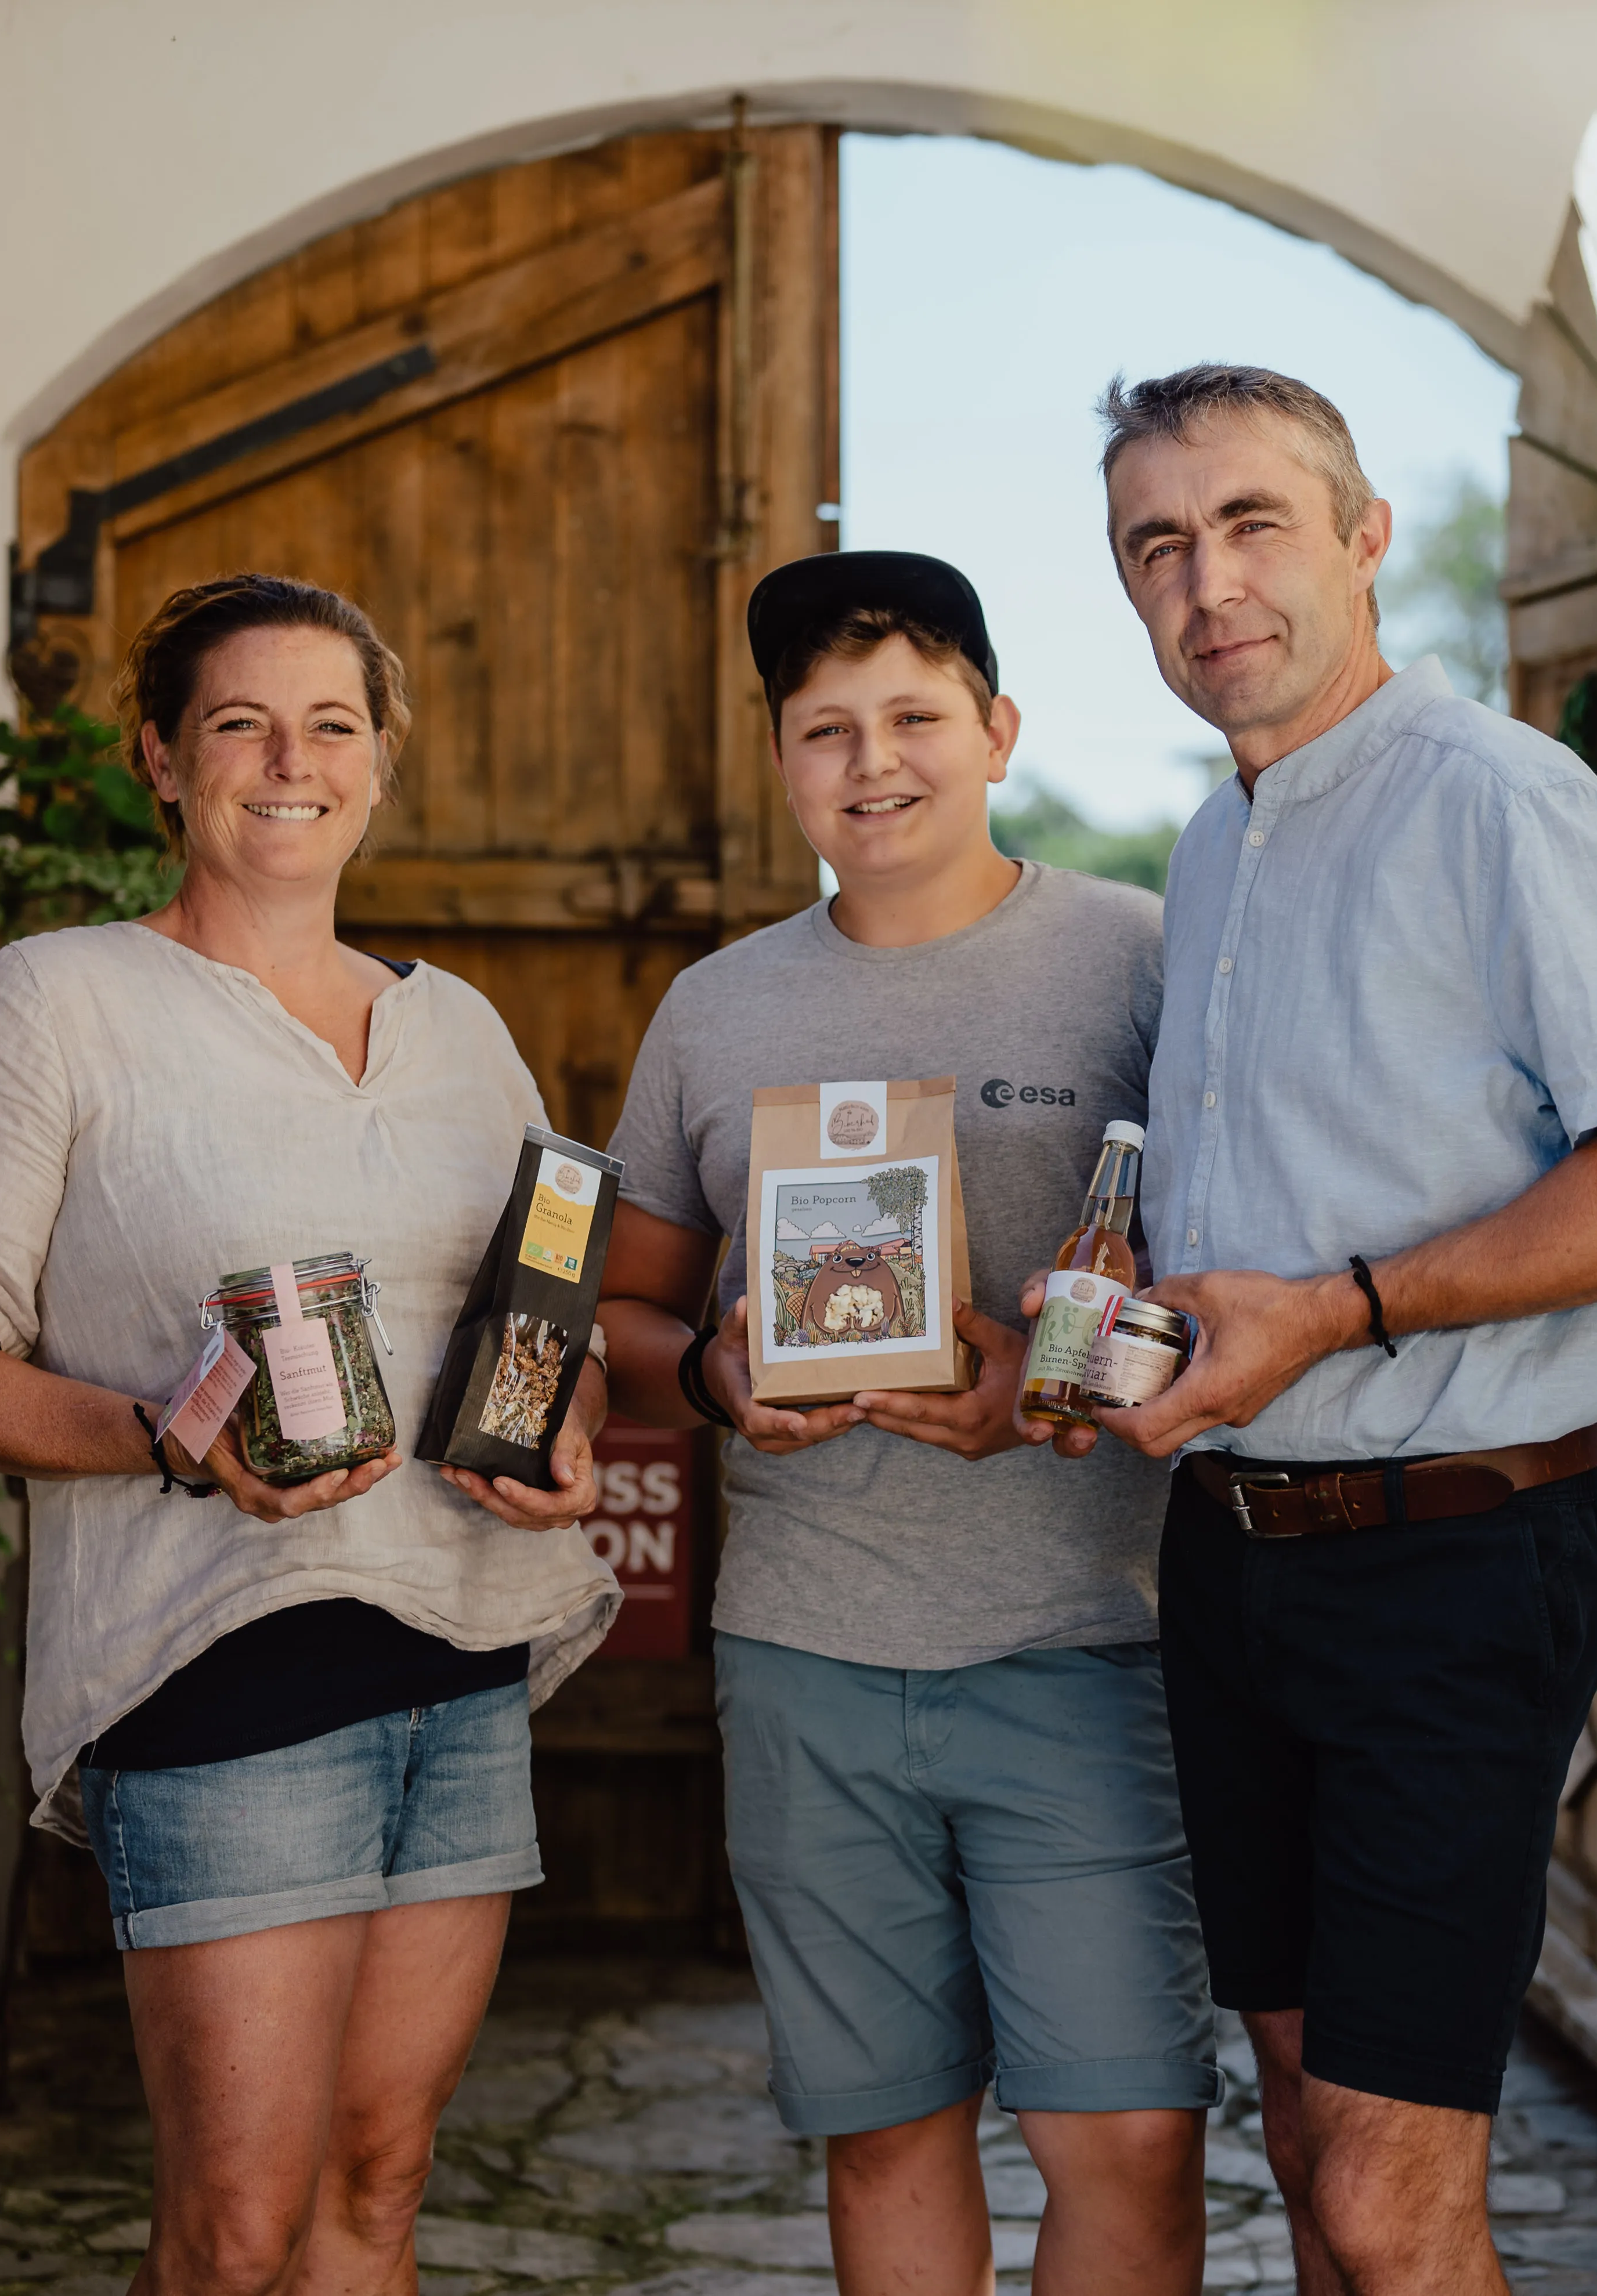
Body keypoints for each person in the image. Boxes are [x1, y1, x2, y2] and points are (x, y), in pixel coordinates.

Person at [1078, 367, 1597, 2295]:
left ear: (1367, 537)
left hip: (1452, 1562)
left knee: (1392, 2198)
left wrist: (1335, 1309)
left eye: (1251, 524)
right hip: (1229, 1566)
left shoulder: (1497, 799)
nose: (1206, 582)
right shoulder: (1216, 847)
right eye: (1158, 544)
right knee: (1312, 2154)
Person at [0, 573, 618, 2296]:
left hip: (465, 1648)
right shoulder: (54, 1005)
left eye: (332, 723)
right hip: (222, 1668)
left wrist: (562, 1415)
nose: (293, 760)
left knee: (381, 2181)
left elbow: (533, 1322)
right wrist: (166, 1434)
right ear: (160, 759)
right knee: (236, 2227)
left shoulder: (464, 1035)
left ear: (381, 760)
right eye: (239, 724)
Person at [598, 551, 1214, 2296]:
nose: (875, 762)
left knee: (1131, 2135)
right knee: (885, 2128)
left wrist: (1056, 1386)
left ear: (1000, 728)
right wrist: (712, 1370)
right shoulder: (717, 1010)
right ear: (781, 761)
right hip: (807, 1648)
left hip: (1095, 1640)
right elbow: (627, 1312)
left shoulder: (1143, 964)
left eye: (916, 717)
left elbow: (1239, 1277)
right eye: (827, 730)